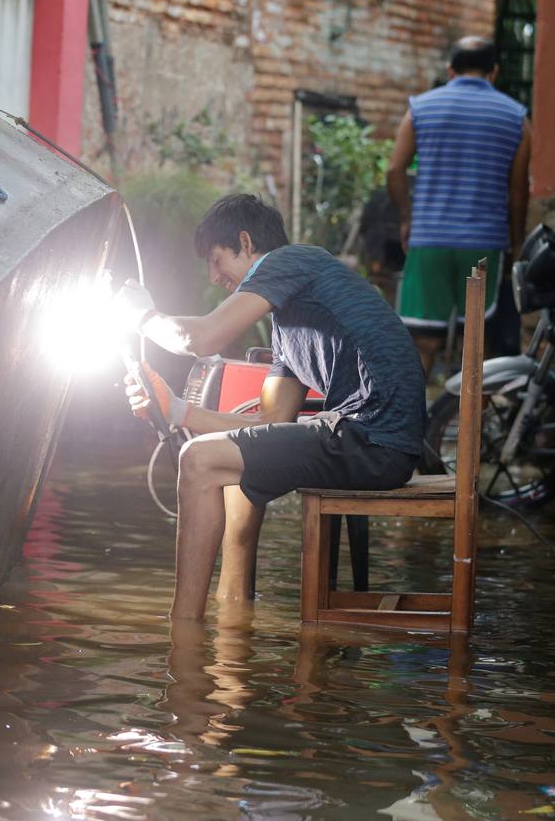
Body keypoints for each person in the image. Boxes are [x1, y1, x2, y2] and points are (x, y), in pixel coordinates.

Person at [114, 194, 425, 620]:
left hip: (372, 437)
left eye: (217, 259)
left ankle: (182, 632)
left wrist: (143, 318)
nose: (214, 275)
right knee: (223, 464)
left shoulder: (293, 260)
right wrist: (177, 412)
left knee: (199, 459)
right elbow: (271, 421)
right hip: (368, 440)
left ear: (245, 242)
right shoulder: (285, 329)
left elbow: (204, 338)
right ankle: (230, 618)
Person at [387, 36, 532, 374]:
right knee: (477, 344)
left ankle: (410, 424)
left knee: (422, 342)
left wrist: (407, 220)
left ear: (451, 70)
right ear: (493, 72)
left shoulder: (420, 109)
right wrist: (516, 242)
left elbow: (395, 169)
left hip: (429, 241)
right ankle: (471, 425)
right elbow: (518, 190)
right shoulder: (516, 118)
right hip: (484, 245)